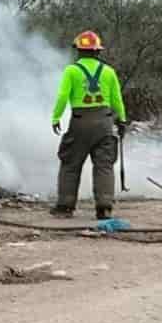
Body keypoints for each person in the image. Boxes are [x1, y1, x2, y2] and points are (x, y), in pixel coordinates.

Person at [49, 29, 128, 219]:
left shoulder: (72, 71)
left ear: (78, 50)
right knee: (104, 165)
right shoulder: (108, 72)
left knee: (70, 164)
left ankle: (65, 206)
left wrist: (56, 117)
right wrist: (122, 120)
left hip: (80, 122)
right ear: (97, 51)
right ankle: (104, 207)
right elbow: (117, 99)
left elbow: (62, 96)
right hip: (104, 122)